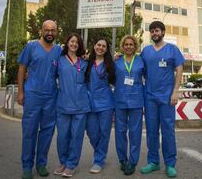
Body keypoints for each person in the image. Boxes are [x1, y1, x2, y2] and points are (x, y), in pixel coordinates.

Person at [17, 20, 62, 179]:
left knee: (47, 132)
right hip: (33, 95)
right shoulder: (31, 47)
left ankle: (41, 164)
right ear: (41, 31)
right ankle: (27, 166)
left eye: (53, 30)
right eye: (47, 30)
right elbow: (22, 68)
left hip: (51, 96)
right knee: (29, 131)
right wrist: (20, 92)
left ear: (56, 32)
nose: (50, 33)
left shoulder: (58, 50)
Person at [140, 21, 184, 178]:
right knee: (151, 131)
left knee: (168, 131)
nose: (154, 33)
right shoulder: (145, 51)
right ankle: (153, 162)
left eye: (157, 30)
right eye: (151, 31)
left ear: (163, 32)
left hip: (167, 98)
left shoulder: (172, 49)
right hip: (150, 97)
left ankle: (170, 164)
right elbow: (139, 69)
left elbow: (179, 69)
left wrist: (175, 91)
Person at [53, 33, 91, 178]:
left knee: (76, 137)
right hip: (63, 104)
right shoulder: (59, 60)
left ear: (79, 45)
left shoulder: (85, 63)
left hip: (80, 106)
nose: (74, 44)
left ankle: (71, 165)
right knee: (62, 136)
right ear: (67, 43)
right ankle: (63, 161)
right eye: (72, 41)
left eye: (77, 42)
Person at [114, 35, 145, 175]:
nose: (128, 46)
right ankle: (122, 160)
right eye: (126, 44)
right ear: (123, 46)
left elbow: (148, 78)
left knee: (135, 133)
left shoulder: (141, 61)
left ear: (135, 46)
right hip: (120, 100)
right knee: (120, 132)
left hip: (136, 101)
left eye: (131, 44)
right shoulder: (117, 61)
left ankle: (132, 162)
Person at [85, 37, 116, 174]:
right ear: (94, 46)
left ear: (106, 49)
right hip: (89, 103)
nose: (101, 48)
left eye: (104, 46)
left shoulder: (110, 64)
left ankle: (98, 160)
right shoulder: (87, 63)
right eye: (99, 45)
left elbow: (115, 82)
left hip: (106, 103)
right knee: (92, 132)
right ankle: (100, 152)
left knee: (104, 133)